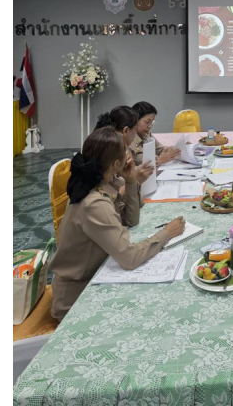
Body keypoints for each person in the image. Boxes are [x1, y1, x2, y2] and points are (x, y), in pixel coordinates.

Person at [48, 127, 186, 319]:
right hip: (76, 300)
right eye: (126, 151)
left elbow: (130, 219)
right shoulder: (95, 203)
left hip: (94, 277)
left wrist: (130, 180)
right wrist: (167, 233)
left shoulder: (98, 182)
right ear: (115, 164)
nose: (129, 155)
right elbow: (129, 258)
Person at [95, 105, 155, 182]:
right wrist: (134, 178)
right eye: (135, 129)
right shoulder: (112, 151)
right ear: (125, 131)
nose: (135, 134)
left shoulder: (107, 143)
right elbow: (110, 186)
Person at [131, 101, 182, 168]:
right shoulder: (128, 139)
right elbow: (129, 170)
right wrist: (159, 160)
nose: (150, 126)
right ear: (135, 120)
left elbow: (160, 150)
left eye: (152, 122)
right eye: (147, 122)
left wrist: (178, 148)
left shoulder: (146, 134)